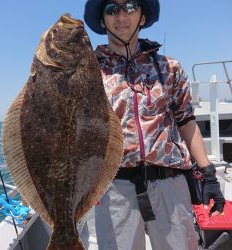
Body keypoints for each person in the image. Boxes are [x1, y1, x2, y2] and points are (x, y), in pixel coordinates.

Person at [82, 0, 225, 249]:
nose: (121, 15)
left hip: (170, 183)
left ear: (143, 16)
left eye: (130, 6)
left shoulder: (169, 68)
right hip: (114, 188)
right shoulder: (86, 72)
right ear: (102, 21)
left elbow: (186, 121)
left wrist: (208, 173)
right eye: (111, 9)